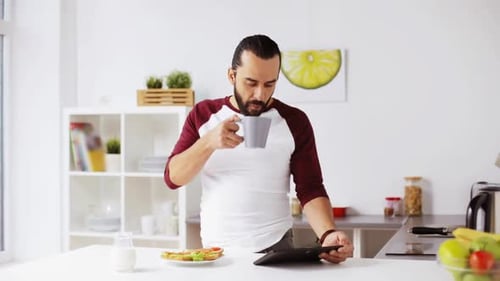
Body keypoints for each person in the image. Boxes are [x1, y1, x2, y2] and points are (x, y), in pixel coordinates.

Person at [164, 34, 353, 263]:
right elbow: (173, 177)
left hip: (276, 247)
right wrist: (208, 142)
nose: (260, 95)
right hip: (216, 250)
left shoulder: (294, 121)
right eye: (251, 83)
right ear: (232, 75)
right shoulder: (203, 115)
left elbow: (310, 188)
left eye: (269, 84)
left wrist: (328, 234)